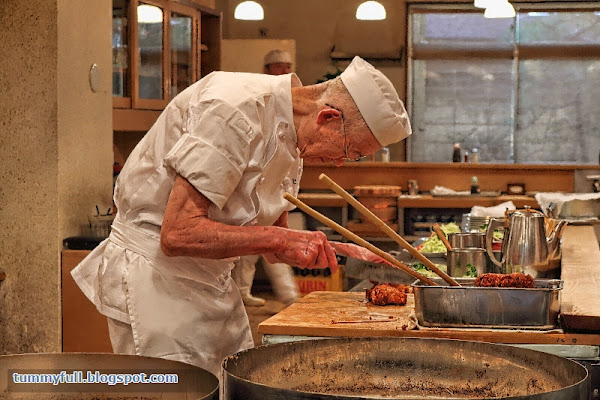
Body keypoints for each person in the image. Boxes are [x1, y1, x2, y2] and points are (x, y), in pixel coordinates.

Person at [71, 56, 411, 378]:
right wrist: (279, 239)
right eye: (350, 152)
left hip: (215, 279)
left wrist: (315, 247)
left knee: (232, 384)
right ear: (327, 118)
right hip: (157, 282)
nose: (339, 163)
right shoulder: (232, 111)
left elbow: (270, 237)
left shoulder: (295, 133)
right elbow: (177, 234)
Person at [233, 48, 299, 307]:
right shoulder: (255, 100)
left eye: (288, 66)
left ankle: (290, 296)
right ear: (266, 70)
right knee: (250, 250)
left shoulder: (293, 100)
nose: (285, 70)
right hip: (253, 182)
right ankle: (242, 292)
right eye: (279, 66)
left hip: (277, 186)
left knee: (276, 243)